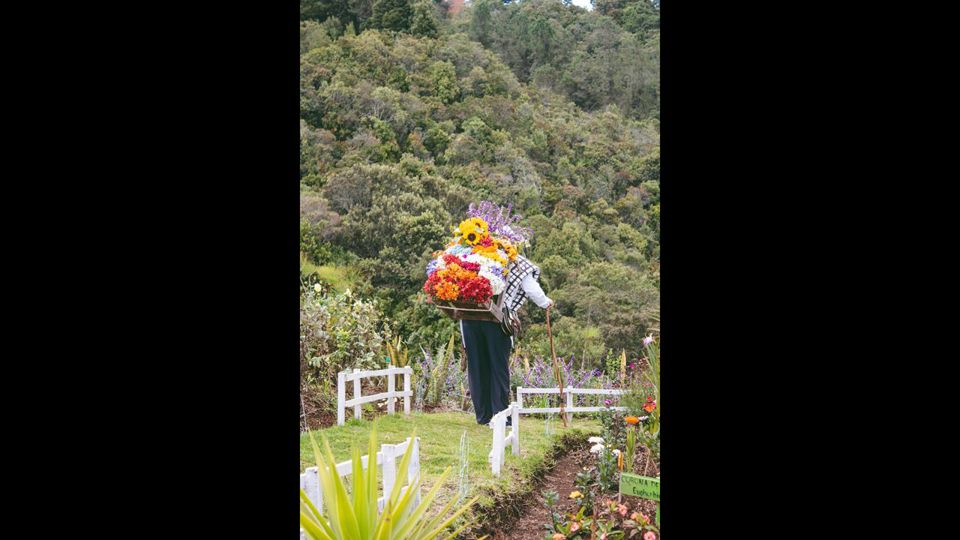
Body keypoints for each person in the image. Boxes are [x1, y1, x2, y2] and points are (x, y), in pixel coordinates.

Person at [461, 254, 553, 426]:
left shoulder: (469, 255)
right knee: (498, 368)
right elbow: (530, 287)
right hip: (497, 319)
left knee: (477, 368)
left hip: (469, 318)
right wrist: (545, 302)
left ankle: (483, 416)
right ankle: (500, 415)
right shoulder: (513, 260)